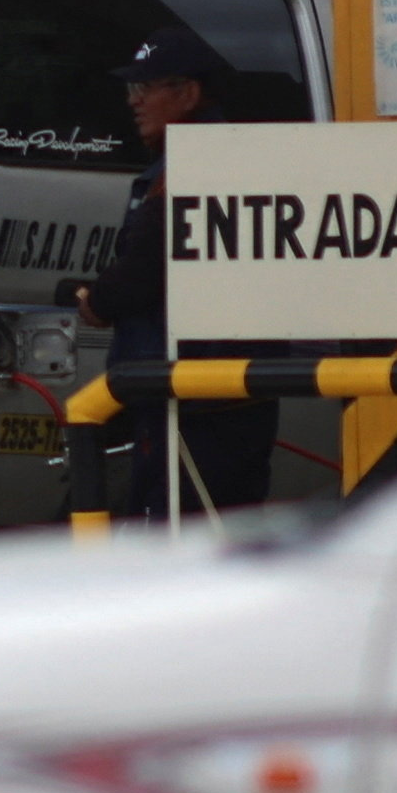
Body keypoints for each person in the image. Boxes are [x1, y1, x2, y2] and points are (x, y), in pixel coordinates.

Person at [78, 27, 278, 519]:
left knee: (177, 532)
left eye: (144, 89)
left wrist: (96, 302)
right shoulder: (231, 156)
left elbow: (144, 269)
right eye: (131, 90)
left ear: (188, 93)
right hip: (222, 389)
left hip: (190, 393)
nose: (134, 102)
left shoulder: (195, 164)